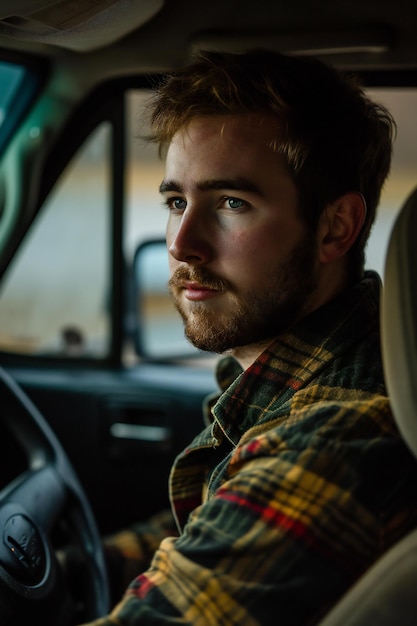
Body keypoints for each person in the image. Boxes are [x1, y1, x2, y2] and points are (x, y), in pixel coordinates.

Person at [80, 50, 417, 625]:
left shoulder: (333, 443)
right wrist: (69, 566)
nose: (181, 243)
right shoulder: (300, 371)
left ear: (336, 227)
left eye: (232, 203)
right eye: (176, 202)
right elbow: (216, 522)